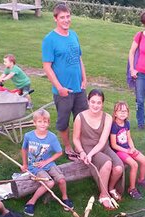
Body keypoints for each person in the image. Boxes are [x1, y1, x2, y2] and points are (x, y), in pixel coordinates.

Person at [42, 2, 88, 157]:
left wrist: (84, 78)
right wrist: (59, 88)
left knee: (82, 118)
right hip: (63, 91)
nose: (66, 20)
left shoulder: (73, 34)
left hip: (79, 88)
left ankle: (80, 145)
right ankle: (68, 147)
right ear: (55, 19)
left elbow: (79, 58)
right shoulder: (50, 39)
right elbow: (47, 67)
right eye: (62, 17)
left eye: (68, 16)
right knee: (63, 122)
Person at [73, 89, 124, 210]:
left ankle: (110, 188)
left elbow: (102, 141)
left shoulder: (107, 117)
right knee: (107, 163)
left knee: (118, 168)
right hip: (87, 147)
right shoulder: (80, 117)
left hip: (102, 147)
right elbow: (75, 139)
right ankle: (103, 194)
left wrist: (90, 155)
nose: (95, 105)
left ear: (103, 103)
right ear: (88, 102)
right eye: (93, 102)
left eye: (99, 102)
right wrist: (82, 152)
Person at [21, 109, 74, 217]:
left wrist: (47, 161)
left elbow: (59, 152)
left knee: (61, 179)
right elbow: (24, 149)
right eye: (39, 121)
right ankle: (31, 202)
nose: (42, 124)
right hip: (35, 167)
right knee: (49, 183)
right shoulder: (28, 136)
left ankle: (65, 198)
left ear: (48, 123)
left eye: (45, 122)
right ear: (34, 122)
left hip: (49, 164)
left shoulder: (52, 137)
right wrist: (25, 164)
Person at [110, 101, 145, 200]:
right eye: (120, 111)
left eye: (125, 111)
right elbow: (113, 145)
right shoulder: (114, 126)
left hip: (128, 148)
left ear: (128, 113)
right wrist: (127, 151)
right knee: (134, 165)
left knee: (144, 160)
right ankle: (132, 188)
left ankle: (141, 180)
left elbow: (129, 138)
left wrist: (132, 148)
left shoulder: (127, 123)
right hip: (118, 151)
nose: (123, 113)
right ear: (115, 113)